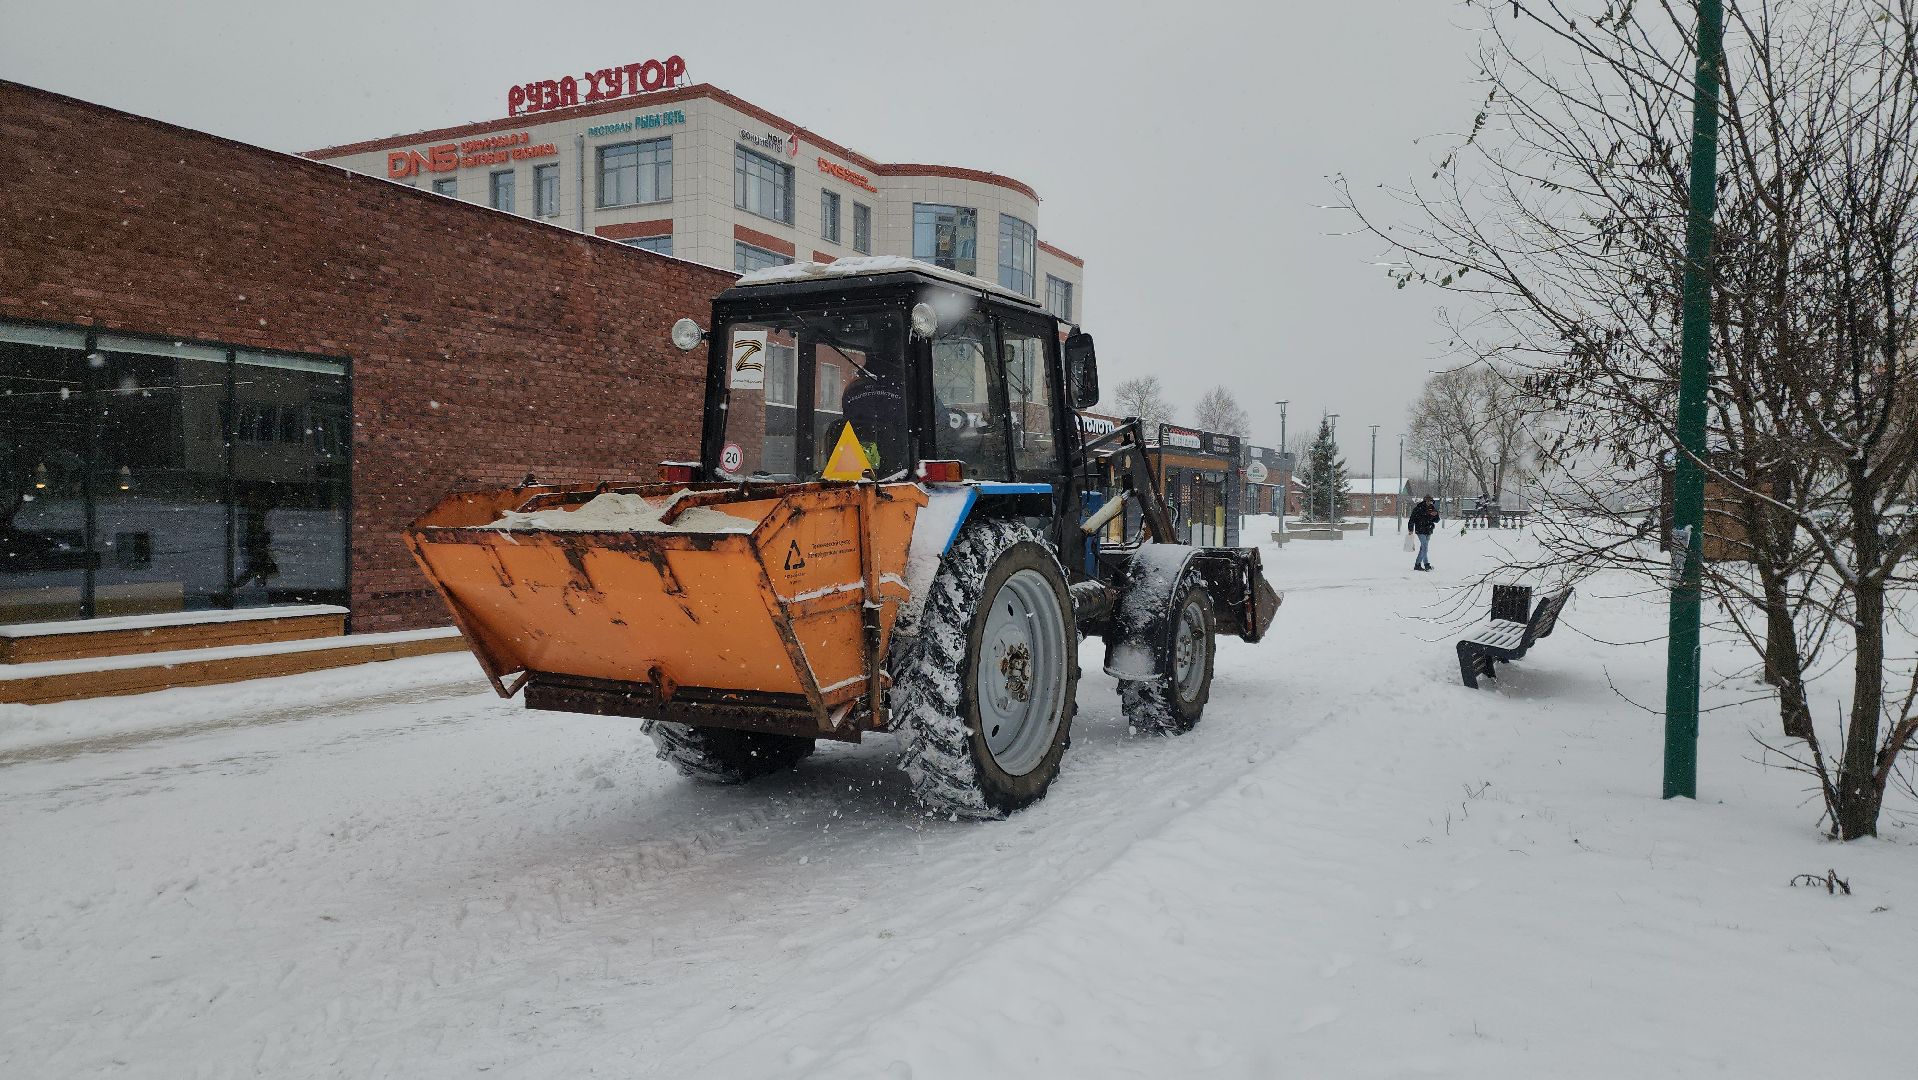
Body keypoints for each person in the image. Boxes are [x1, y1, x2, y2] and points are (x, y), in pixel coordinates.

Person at [1408, 495, 1440, 571]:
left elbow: (1437, 520)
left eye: (1431, 501)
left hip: (1428, 530)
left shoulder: (1432, 508)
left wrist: (1435, 516)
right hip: (1420, 530)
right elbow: (1412, 519)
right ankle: (1419, 564)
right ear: (1425, 501)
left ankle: (1424, 564)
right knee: (1425, 547)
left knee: (1423, 548)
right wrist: (1410, 529)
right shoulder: (1418, 508)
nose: (1429, 503)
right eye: (1428, 501)